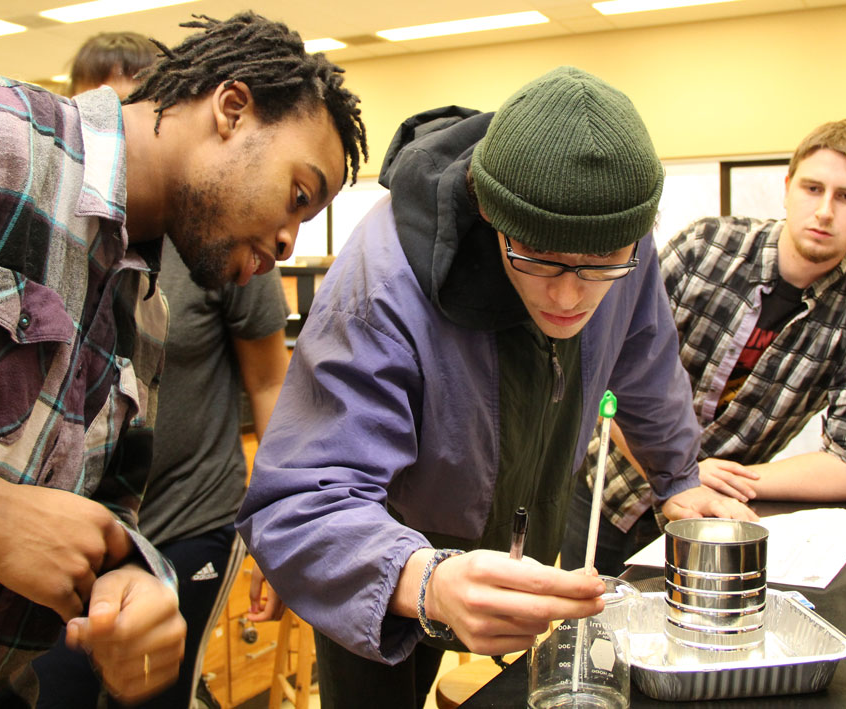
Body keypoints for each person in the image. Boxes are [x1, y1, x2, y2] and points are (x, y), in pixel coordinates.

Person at [0, 11, 366, 707]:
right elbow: (9, 517)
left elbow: (96, 519)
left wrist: (126, 585)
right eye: (298, 195)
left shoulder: (143, 309)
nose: (286, 241)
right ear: (232, 108)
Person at [236, 66, 754, 709]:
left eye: (600, 268)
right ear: (489, 209)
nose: (569, 298)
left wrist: (679, 478)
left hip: (527, 538)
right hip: (382, 570)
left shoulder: (621, 234)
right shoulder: (381, 280)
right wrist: (422, 581)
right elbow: (301, 500)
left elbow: (645, 357)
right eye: (539, 259)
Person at [32, 30, 298, 709]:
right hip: (70, 533)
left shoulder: (225, 233)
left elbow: (270, 382)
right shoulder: (62, 217)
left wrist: (276, 525)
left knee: (150, 697)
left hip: (186, 518)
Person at [561, 119, 846, 576]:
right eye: (812, 188)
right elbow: (604, 367)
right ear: (787, 187)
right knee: (589, 634)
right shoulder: (706, 247)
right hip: (607, 493)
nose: (825, 211)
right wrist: (678, 470)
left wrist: (700, 476)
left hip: (720, 518)